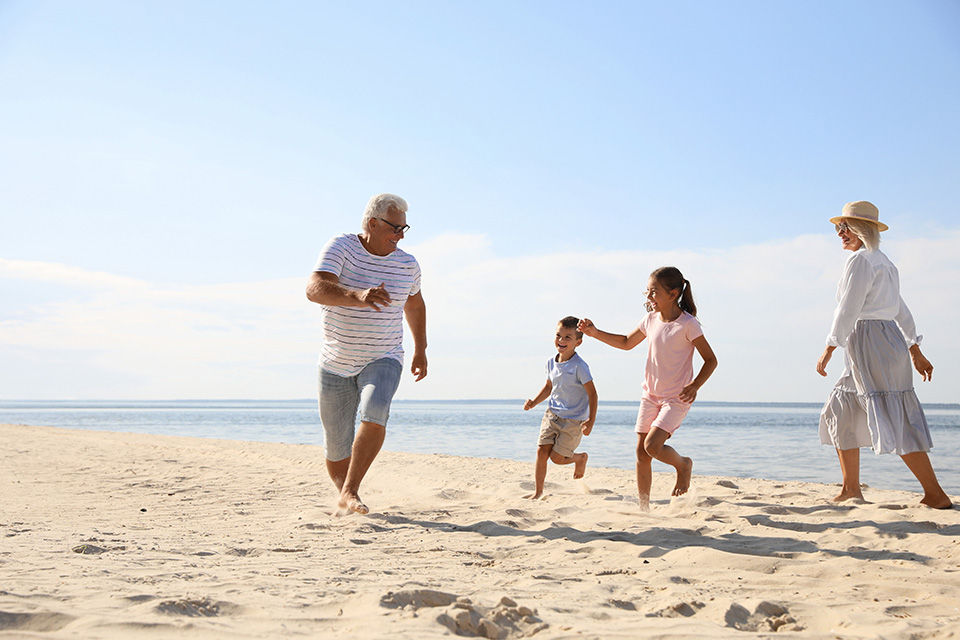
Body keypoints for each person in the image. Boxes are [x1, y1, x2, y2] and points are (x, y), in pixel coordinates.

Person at [816, 201, 951, 509]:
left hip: (870, 339)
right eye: (838, 228)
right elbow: (900, 309)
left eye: (845, 228)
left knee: (894, 417)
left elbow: (848, 307)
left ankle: (936, 494)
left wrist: (828, 348)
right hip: (881, 339)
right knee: (841, 408)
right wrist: (914, 348)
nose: (840, 234)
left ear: (862, 230)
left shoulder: (862, 261)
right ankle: (851, 488)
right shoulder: (884, 262)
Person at [305, 193, 427, 515]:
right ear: (372, 223)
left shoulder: (407, 264)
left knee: (376, 409)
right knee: (336, 441)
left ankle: (351, 491)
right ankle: (346, 493)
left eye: (404, 229)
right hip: (335, 361)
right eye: (394, 228)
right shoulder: (341, 247)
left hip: (384, 355)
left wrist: (421, 349)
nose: (400, 236)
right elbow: (314, 288)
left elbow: (414, 303)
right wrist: (357, 295)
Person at [579, 267, 717, 510]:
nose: (649, 297)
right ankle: (644, 508)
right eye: (647, 291)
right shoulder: (650, 320)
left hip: (677, 397)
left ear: (673, 293)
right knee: (642, 454)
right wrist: (594, 332)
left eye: (654, 292)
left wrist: (695, 385)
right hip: (650, 395)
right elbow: (625, 342)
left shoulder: (688, 324)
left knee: (652, 446)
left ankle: (683, 465)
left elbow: (710, 360)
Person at [522, 316, 598, 500]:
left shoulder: (580, 366)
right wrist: (534, 401)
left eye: (567, 337)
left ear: (578, 342)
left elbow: (593, 394)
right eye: (558, 336)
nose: (561, 341)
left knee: (557, 458)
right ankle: (538, 491)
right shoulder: (551, 362)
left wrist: (591, 421)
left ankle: (579, 458)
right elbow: (549, 387)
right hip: (552, 414)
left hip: (573, 420)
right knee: (541, 451)